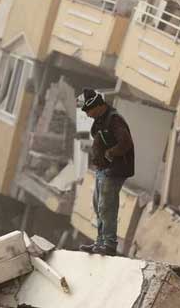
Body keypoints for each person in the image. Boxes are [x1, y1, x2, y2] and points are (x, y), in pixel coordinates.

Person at [76, 88, 134, 256]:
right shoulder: (101, 120)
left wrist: (110, 154)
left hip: (114, 170)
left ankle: (109, 244)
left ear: (97, 106)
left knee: (106, 206)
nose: (87, 115)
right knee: (98, 205)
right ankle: (100, 242)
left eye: (88, 111)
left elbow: (126, 142)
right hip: (103, 169)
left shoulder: (114, 120)